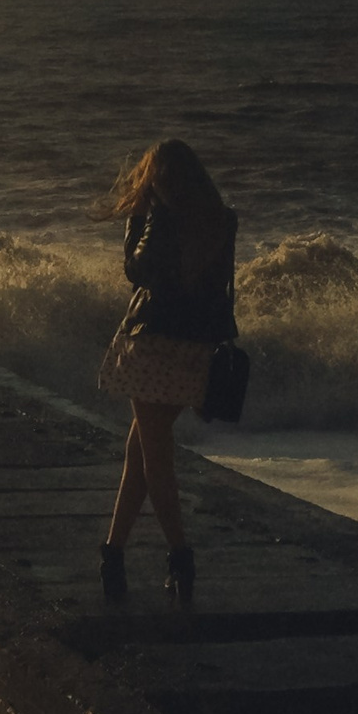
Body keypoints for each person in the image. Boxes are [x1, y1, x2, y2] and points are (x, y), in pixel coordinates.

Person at [94, 139, 237, 608]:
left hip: (153, 343)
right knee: (143, 447)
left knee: (155, 459)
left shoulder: (161, 217)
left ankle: (180, 554)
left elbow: (138, 271)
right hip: (196, 350)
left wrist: (137, 217)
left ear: (160, 177)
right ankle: (112, 554)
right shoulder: (221, 219)